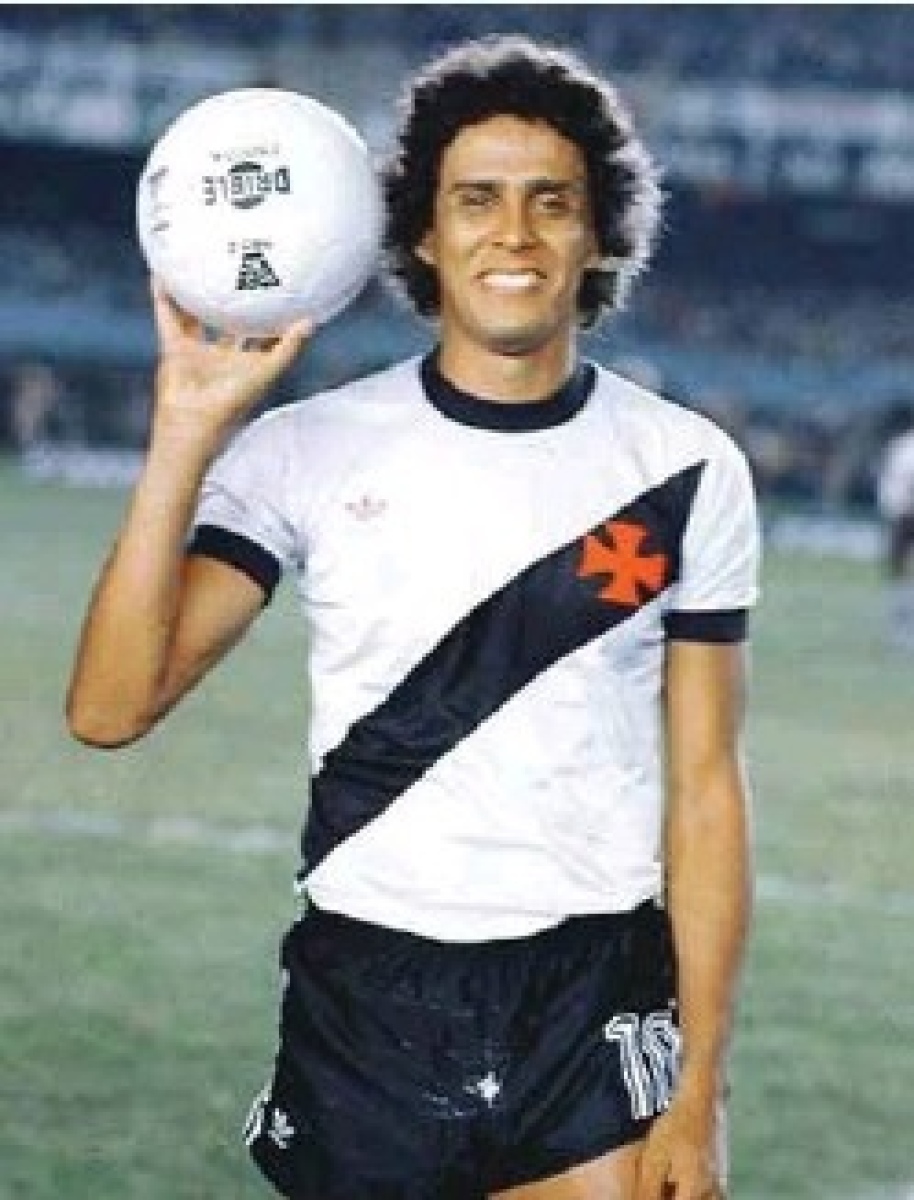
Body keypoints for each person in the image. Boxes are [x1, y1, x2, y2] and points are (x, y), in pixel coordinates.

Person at [66, 35, 760, 1200]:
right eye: (475, 200)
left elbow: (705, 794)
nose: (514, 233)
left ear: (598, 234)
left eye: (551, 202)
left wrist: (699, 1093)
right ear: (423, 236)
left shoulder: (686, 467)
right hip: (367, 989)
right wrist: (184, 432)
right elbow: (107, 708)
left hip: (589, 985)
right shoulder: (301, 451)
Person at [876, 402, 914, 649]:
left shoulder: (901, 446)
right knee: (898, 571)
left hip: (902, 514)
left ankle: (902, 626)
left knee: (898, 571)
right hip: (903, 514)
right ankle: (901, 626)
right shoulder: (902, 446)